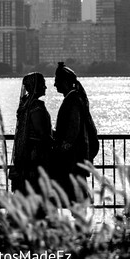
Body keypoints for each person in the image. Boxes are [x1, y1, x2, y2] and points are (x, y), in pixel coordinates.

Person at [52, 62, 99, 202]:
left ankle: (81, 221)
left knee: (76, 192)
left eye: (57, 81)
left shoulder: (73, 101)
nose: (55, 85)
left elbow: (73, 129)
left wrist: (60, 149)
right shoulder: (73, 98)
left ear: (65, 82)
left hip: (74, 157)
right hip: (76, 156)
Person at [9, 72, 53, 193]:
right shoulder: (36, 107)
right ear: (35, 86)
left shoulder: (25, 104)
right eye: (42, 84)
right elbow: (41, 132)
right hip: (35, 154)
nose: (45, 87)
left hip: (26, 151)